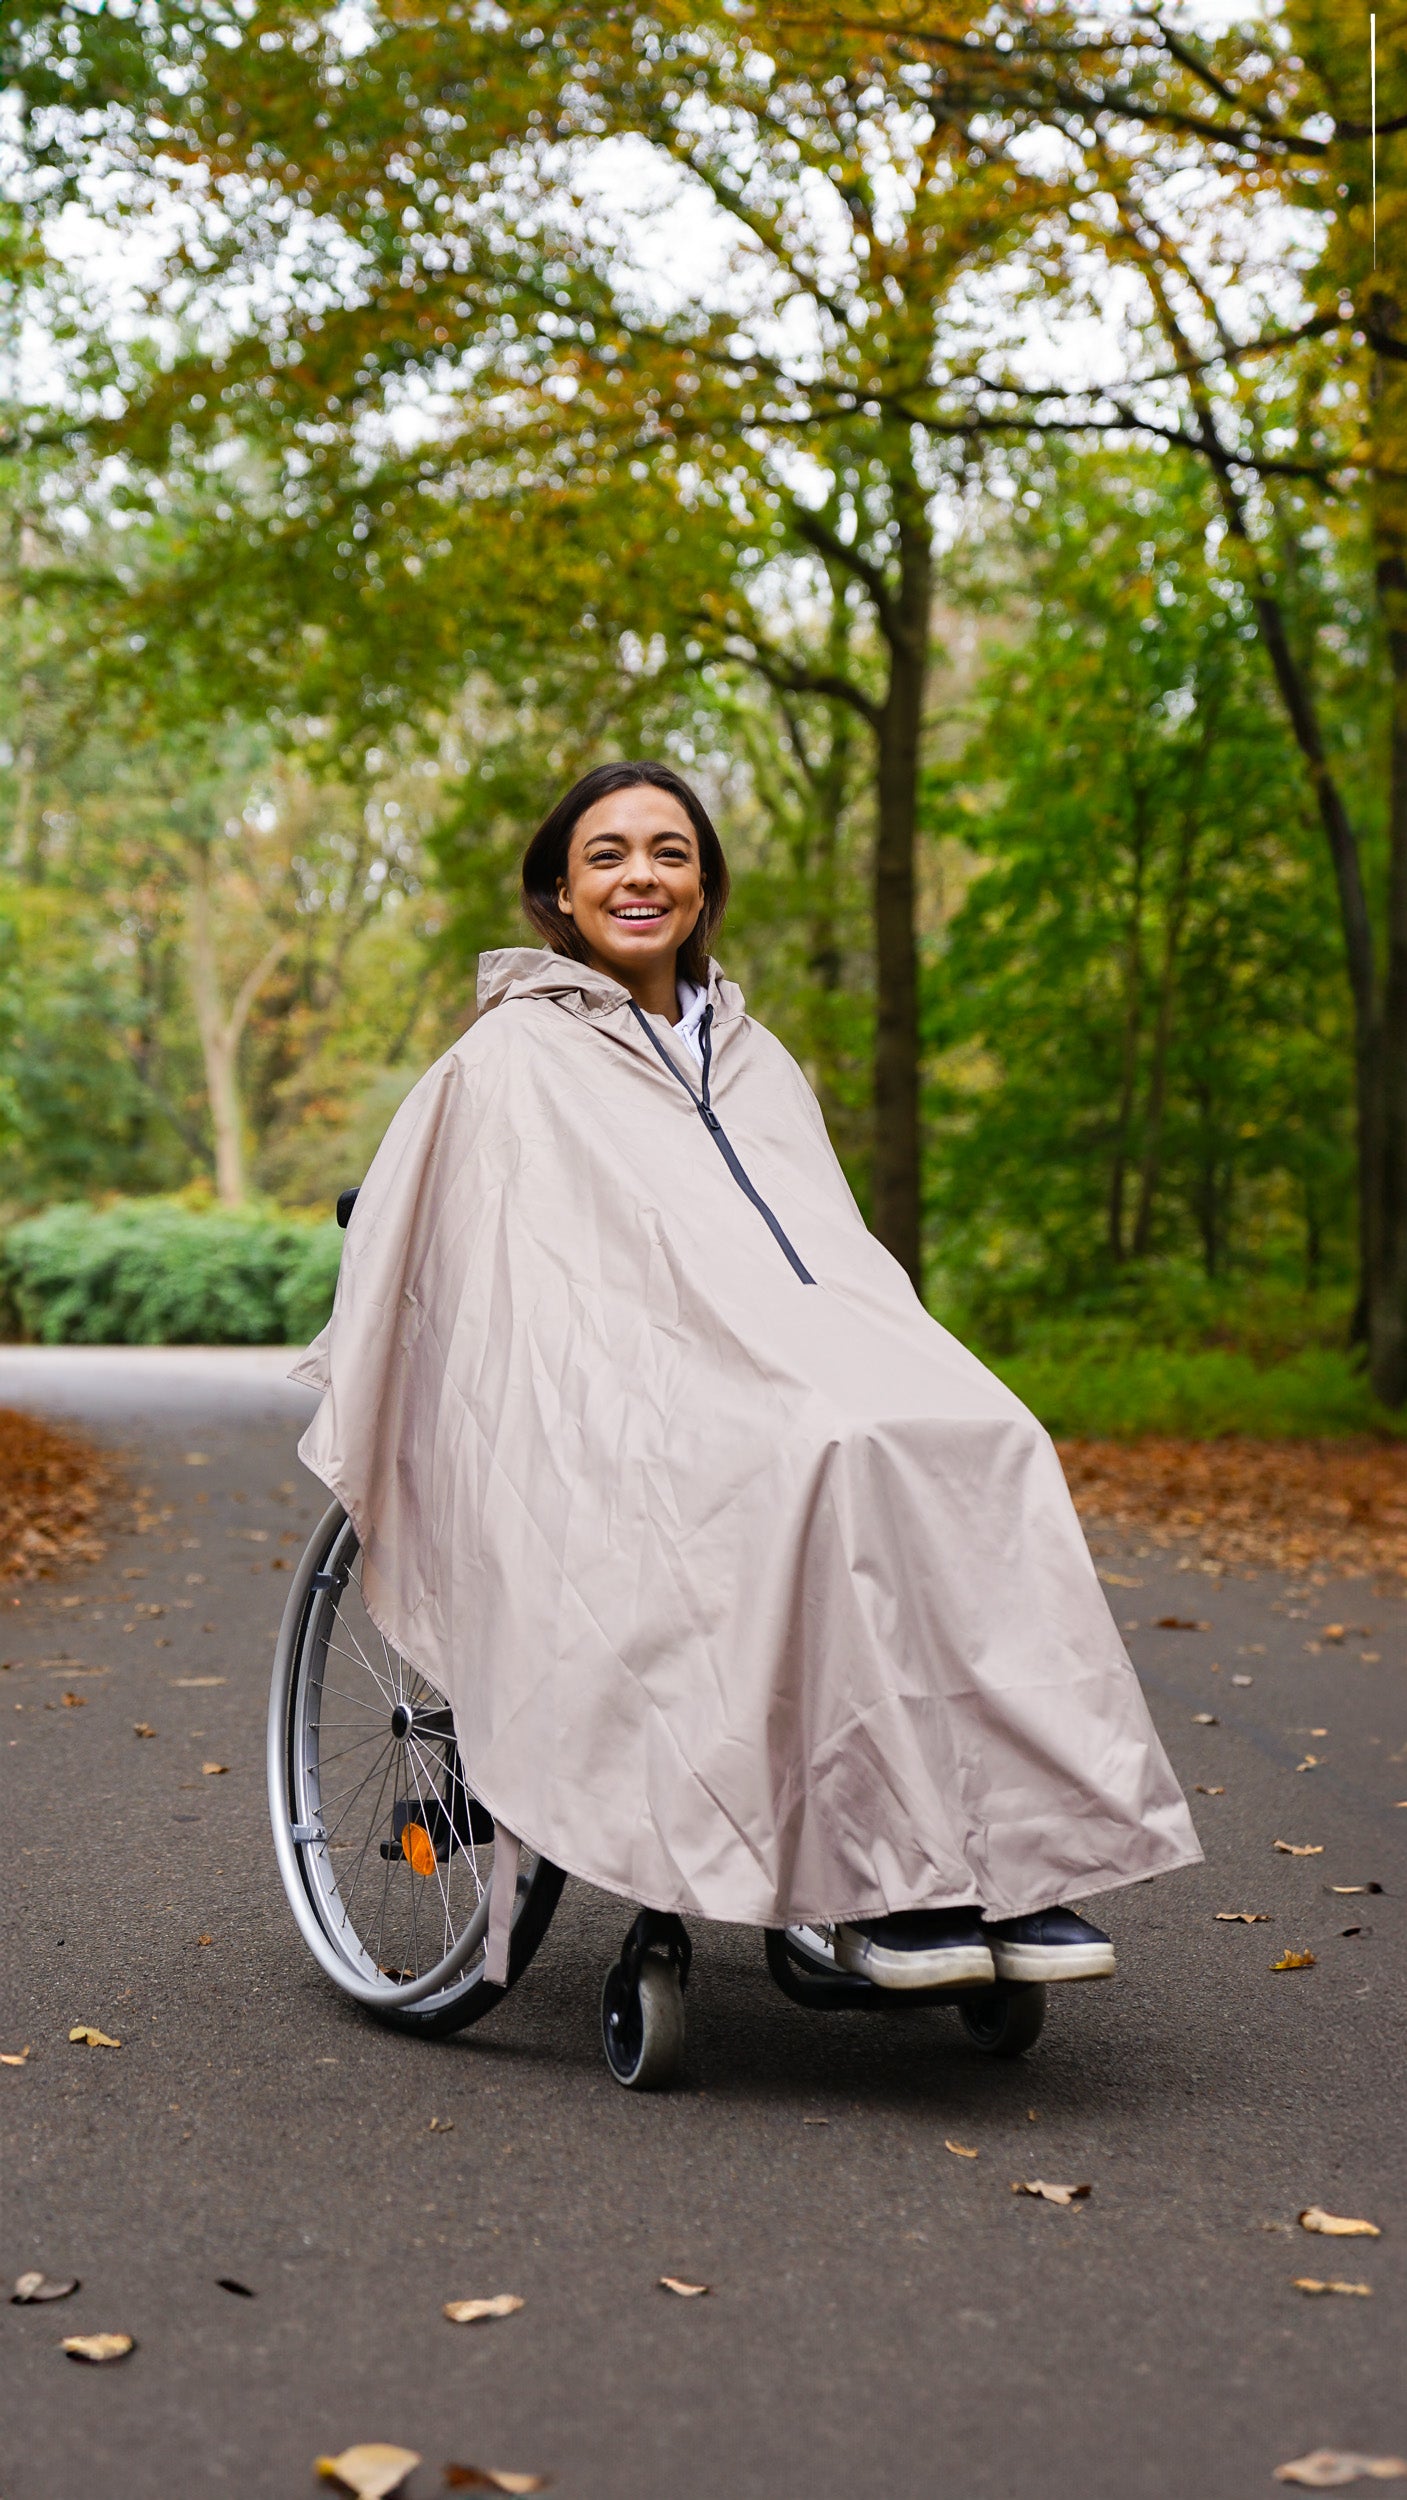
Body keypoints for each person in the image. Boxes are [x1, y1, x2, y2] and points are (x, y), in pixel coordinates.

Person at [294, 760, 1201, 1994]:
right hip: (617, 1393)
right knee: (817, 1449)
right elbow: (482, 1254)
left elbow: (827, 1242)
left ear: (705, 886)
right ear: (558, 893)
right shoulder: (509, 1057)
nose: (639, 875)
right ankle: (885, 1879)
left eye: (669, 852)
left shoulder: (761, 1060)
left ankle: (1013, 1859)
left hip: (797, 1354)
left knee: (983, 1436)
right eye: (606, 853)